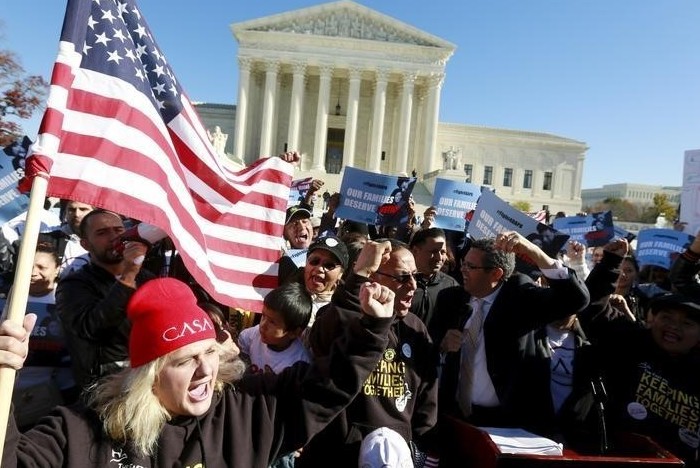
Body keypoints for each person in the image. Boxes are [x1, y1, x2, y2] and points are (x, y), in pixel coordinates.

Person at [0, 276, 396, 467]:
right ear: (148, 374)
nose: (206, 369)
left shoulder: (246, 411)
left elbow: (324, 388)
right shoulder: (82, 431)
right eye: (185, 359)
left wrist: (370, 329)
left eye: (209, 351)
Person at [299, 239, 439, 467]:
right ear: (374, 278)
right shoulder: (340, 317)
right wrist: (359, 277)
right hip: (338, 453)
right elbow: (325, 336)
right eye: (402, 277)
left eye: (415, 276)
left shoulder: (416, 328)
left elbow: (427, 400)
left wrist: (420, 448)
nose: (413, 285)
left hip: (395, 457)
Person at [430, 231, 590, 428]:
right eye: (464, 263)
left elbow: (576, 299)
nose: (462, 270)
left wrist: (532, 251)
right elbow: (429, 341)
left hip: (506, 421)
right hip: (453, 414)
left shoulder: (519, 297)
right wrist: (442, 343)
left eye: (470, 266)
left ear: (496, 273)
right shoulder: (450, 299)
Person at [582, 243, 700, 466]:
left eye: (686, 323)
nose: (674, 327)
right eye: (667, 318)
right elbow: (593, 310)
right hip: (616, 459)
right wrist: (610, 263)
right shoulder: (632, 341)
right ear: (652, 319)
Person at [56, 209, 154, 391]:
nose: (114, 238)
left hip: (149, 375)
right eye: (102, 233)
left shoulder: (146, 278)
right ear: (85, 244)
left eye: (118, 230)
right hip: (106, 385)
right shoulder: (73, 285)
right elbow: (92, 327)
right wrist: (129, 274)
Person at [237, 281, 312, 375]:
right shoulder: (256, 334)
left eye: (272, 322)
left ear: (294, 333)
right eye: (263, 316)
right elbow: (243, 340)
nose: (263, 325)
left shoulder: (298, 364)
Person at [409, 227, 459, 328]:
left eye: (443, 252)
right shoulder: (400, 282)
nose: (439, 258)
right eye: (434, 251)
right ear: (415, 251)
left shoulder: (451, 286)